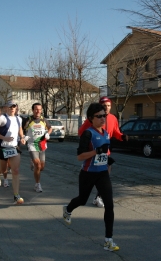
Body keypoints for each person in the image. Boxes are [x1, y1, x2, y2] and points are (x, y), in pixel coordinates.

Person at [63, 102, 119, 252]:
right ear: (90, 118)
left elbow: (104, 152)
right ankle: (68, 209)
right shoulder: (88, 133)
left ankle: (108, 240)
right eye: (99, 116)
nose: (103, 118)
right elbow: (80, 157)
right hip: (88, 174)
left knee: (109, 205)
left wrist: (107, 159)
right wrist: (97, 151)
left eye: (104, 116)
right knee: (82, 200)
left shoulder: (106, 133)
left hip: (102, 173)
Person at [78, 96, 128, 208]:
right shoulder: (93, 119)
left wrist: (122, 137)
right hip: (94, 152)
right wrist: (89, 144)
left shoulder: (113, 118)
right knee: (94, 176)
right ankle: (90, 195)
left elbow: (115, 132)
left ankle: (99, 196)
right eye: (104, 106)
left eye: (109, 106)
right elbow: (81, 132)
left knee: (105, 175)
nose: (107, 108)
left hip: (105, 152)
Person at [0, 101, 26, 204]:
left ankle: (16, 195)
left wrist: (22, 138)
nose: (12, 108)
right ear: (6, 108)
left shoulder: (19, 119)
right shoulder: (2, 118)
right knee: (3, 169)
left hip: (14, 148)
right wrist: (3, 137)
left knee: (15, 171)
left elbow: (20, 131)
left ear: (16, 108)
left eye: (14, 106)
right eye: (10, 107)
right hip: (3, 148)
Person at [24, 103, 52, 193]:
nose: (38, 111)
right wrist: (23, 136)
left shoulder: (43, 119)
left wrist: (48, 133)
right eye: (36, 109)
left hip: (42, 144)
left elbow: (50, 128)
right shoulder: (28, 120)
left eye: (39, 109)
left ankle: (33, 162)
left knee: (42, 167)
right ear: (33, 110)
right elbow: (20, 129)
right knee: (38, 165)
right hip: (32, 144)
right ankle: (37, 184)